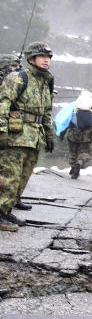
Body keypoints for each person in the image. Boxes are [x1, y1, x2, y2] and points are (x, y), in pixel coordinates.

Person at [0, 42, 55, 232]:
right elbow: (3, 104)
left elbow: (46, 111)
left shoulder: (45, 82)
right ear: (31, 59)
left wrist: (49, 135)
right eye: (42, 57)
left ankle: (6, 210)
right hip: (15, 135)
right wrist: (2, 130)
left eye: (48, 57)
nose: (46, 60)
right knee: (9, 176)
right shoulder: (18, 78)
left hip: (34, 136)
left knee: (23, 177)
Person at [62, 90, 92, 179]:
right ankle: (79, 162)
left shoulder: (74, 107)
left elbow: (66, 121)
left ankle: (73, 167)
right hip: (87, 136)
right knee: (84, 152)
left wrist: (62, 133)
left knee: (72, 152)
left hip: (73, 134)